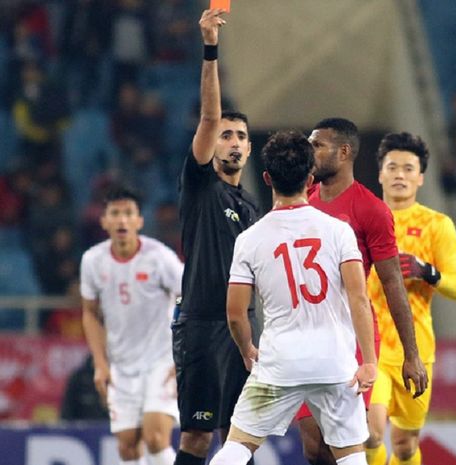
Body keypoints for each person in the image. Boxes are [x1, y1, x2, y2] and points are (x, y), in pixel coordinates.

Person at [209, 130, 377, 465]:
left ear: (267, 177)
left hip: (279, 363)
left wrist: (247, 350)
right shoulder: (338, 230)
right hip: (335, 363)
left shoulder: (250, 239)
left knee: (237, 446)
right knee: (351, 457)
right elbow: (359, 299)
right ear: (310, 177)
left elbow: (235, 313)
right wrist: (369, 360)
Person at [300, 118, 429, 465]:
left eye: (318, 145)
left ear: (343, 152)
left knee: (353, 438)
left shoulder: (371, 210)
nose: (310, 152)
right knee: (313, 447)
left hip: (349, 334)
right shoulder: (303, 203)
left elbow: (392, 284)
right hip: (306, 333)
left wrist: (411, 354)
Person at [171, 9, 260, 465]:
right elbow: (208, 117)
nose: (233, 141)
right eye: (226, 134)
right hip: (202, 326)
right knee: (197, 439)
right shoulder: (201, 185)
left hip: (243, 329)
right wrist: (210, 49)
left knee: (239, 437)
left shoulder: (252, 209)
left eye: (241, 136)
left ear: (248, 147)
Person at [364, 132, 456, 465]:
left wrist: (427, 272)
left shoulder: (437, 225)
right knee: (370, 433)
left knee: (405, 445)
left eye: (408, 168)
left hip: (416, 348)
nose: (399, 175)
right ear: (380, 173)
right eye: (392, 167)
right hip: (371, 344)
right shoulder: (362, 219)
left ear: (420, 177)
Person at [81, 187, 183, 465]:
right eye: (115, 214)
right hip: (121, 366)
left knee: (155, 439)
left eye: (128, 214)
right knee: (127, 447)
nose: (122, 220)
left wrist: (182, 354)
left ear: (139, 221)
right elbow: (90, 313)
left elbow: (189, 298)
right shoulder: (92, 261)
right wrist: (101, 364)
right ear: (104, 221)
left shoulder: (160, 258)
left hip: (160, 362)